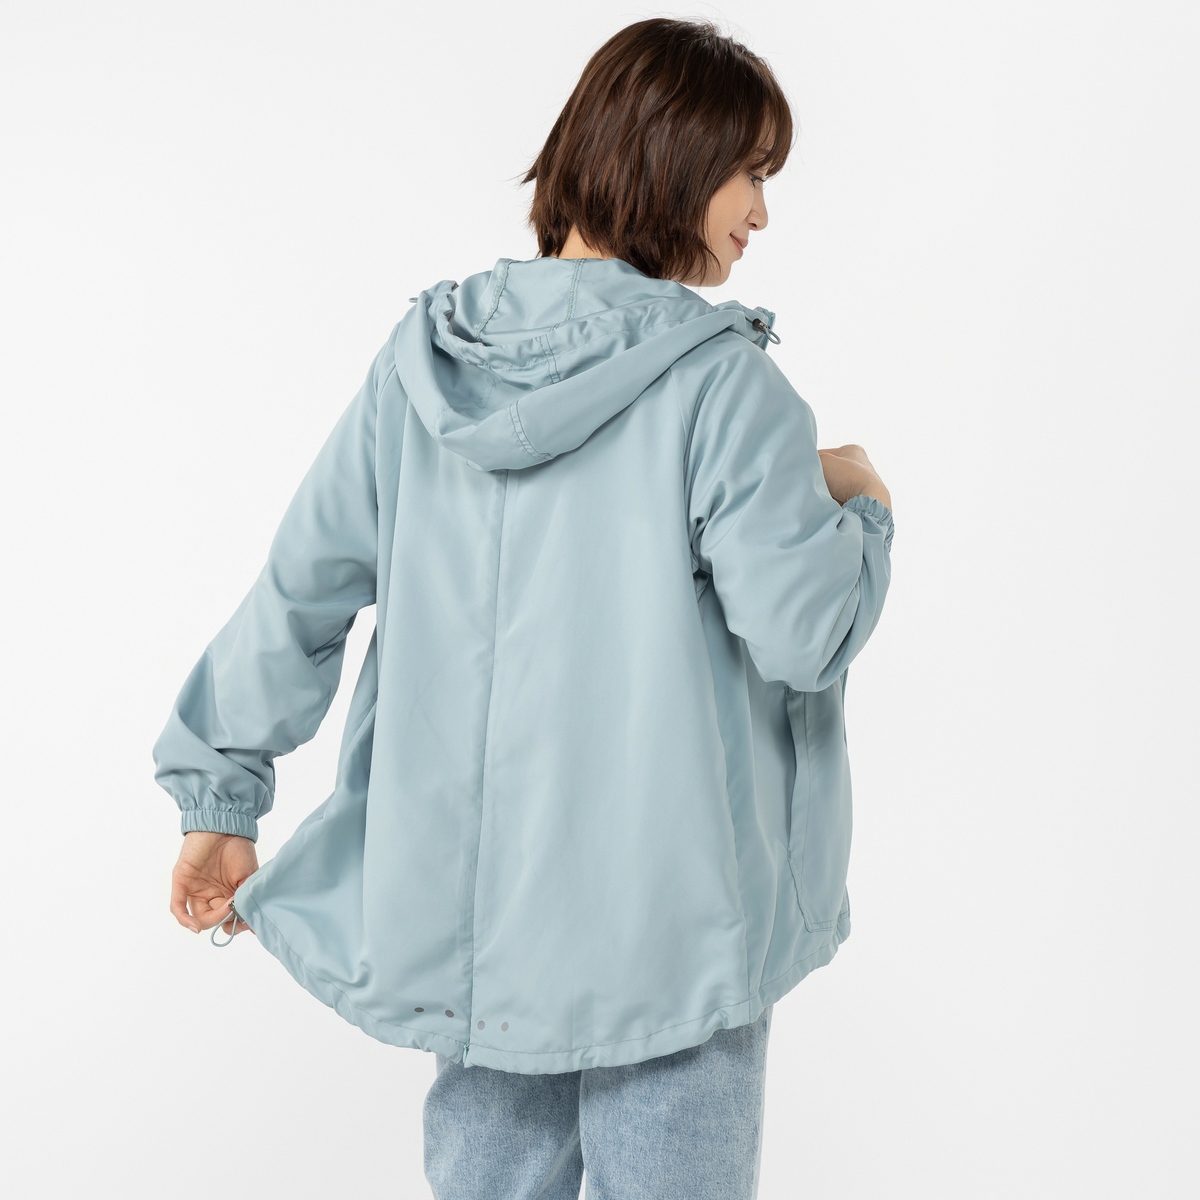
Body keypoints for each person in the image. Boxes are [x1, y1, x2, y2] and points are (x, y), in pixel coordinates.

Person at [154, 17, 894, 1200]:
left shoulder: (421, 366)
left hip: (476, 940)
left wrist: (220, 793)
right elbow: (804, 634)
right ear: (674, 158)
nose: (761, 214)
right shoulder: (724, 387)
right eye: (751, 173)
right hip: (673, 933)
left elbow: (304, 585)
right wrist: (856, 505)